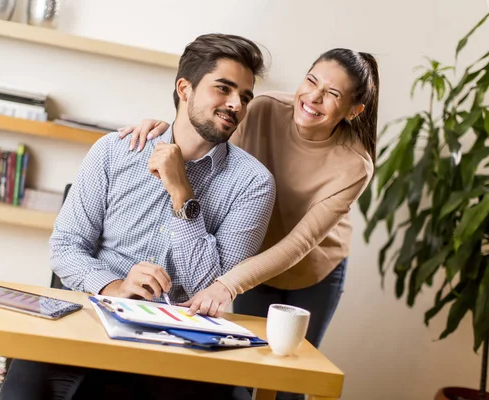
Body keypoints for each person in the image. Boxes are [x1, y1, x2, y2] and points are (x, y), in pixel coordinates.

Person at [0, 33, 276, 400]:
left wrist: (182, 192)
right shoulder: (115, 151)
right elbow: (66, 246)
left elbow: (209, 288)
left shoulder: (253, 184)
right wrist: (115, 287)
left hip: (181, 345)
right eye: (223, 89)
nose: (235, 105)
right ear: (185, 88)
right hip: (92, 324)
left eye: (244, 96)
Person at [119, 48, 379, 400]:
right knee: (242, 370)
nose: (313, 97)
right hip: (248, 257)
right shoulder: (263, 109)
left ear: (353, 110)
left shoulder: (354, 165)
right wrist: (165, 130)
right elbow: (208, 135)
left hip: (312, 272)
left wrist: (226, 286)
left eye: (332, 94)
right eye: (311, 81)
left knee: (291, 381)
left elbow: (299, 244)